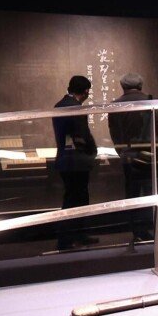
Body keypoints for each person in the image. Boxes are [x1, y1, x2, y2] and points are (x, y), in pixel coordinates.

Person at [108, 73, 158, 242]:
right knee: (152, 193)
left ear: (123, 86)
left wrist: (123, 153)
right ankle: (151, 229)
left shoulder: (115, 105)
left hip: (129, 157)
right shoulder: (149, 101)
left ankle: (137, 231)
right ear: (140, 85)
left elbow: (114, 133)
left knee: (133, 194)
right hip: (150, 156)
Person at [52, 75, 99, 250]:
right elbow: (83, 135)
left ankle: (77, 235)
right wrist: (92, 151)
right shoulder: (76, 108)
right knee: (75, 200)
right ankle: (67, 239)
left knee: (73, 198)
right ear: (86, 91)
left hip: (65, 158)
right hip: (77, 160)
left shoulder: (59, 105)